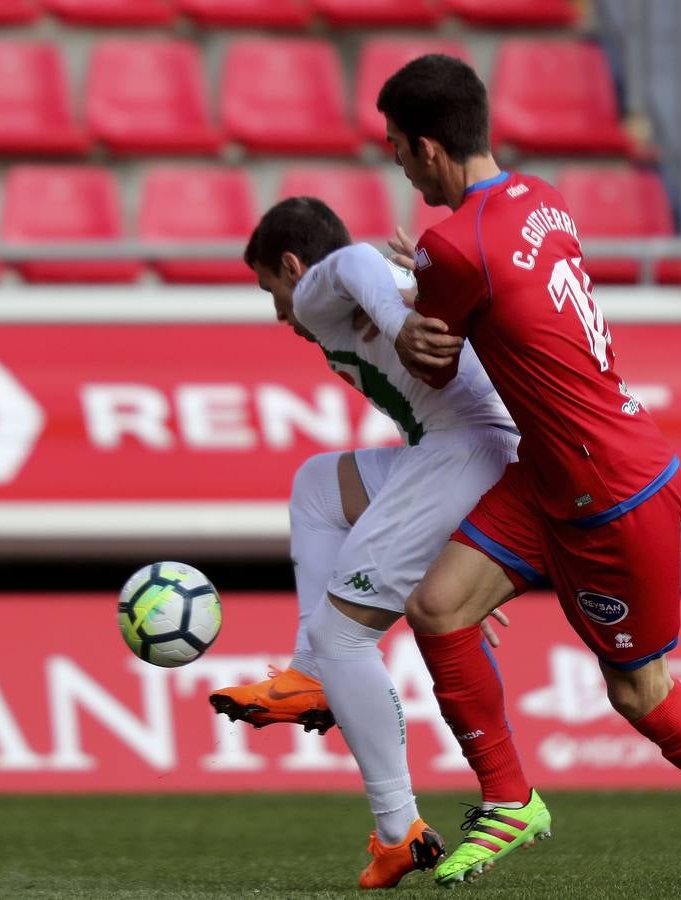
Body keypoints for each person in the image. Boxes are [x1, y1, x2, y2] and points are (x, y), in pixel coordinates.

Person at [363, 54, 681, 886]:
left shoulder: (451, 246)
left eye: (395, 146)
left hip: (610, 492)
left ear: (427, 148)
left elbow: (428, 363)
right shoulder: (538, 198)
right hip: (552, 471)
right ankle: (509, 802)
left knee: (638, 692)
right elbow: (498, 290)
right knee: (437, 608)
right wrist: (424, 279)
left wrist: (403, 307)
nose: (393, 160)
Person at [209, 197, 525, 888]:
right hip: (460, 452)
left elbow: (349, 260)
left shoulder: (327, 289)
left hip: (469, 450)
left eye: (272, 291)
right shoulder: (373, 289)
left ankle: (399, 828)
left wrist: (397, 318)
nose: (278, 314)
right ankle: (308, 675)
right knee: (319, 486)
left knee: (343, 635)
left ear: (292, 267)